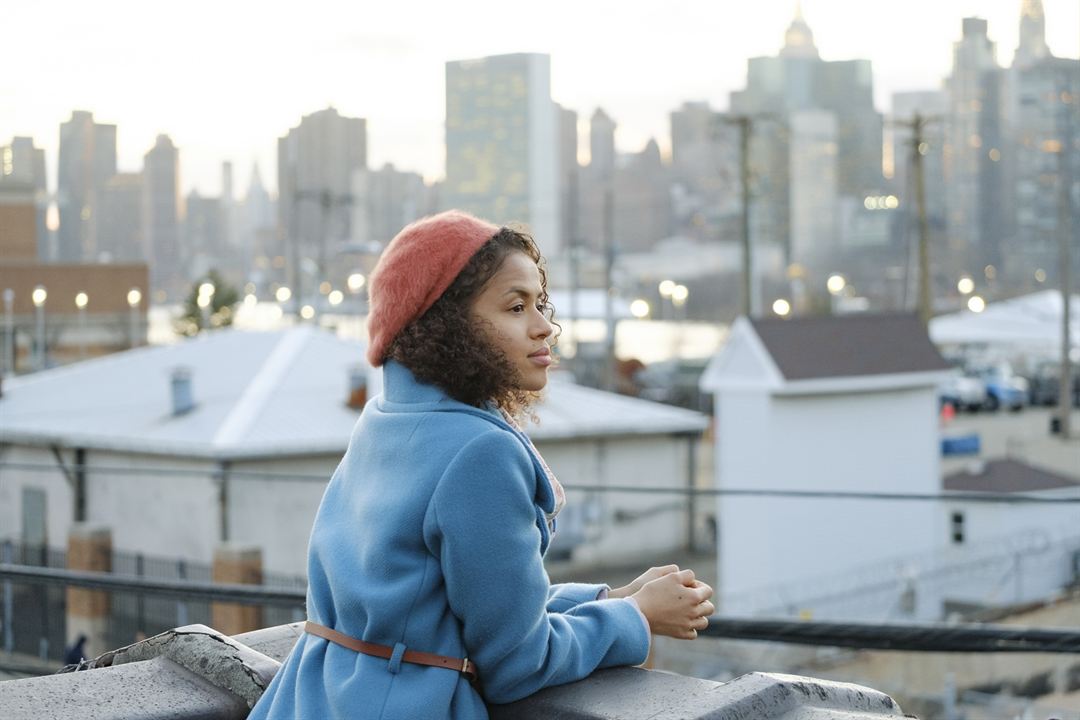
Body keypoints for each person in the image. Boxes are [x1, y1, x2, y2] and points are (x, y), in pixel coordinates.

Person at [249, 211, 713, 720]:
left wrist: (610, 597)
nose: (545, 328)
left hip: (315, 697)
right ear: (448, 327)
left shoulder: (385, 420)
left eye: (541, 303)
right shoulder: (480, 452)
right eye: (516, 307)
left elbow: (448, 606)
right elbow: (519, 663)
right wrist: (637, 618)